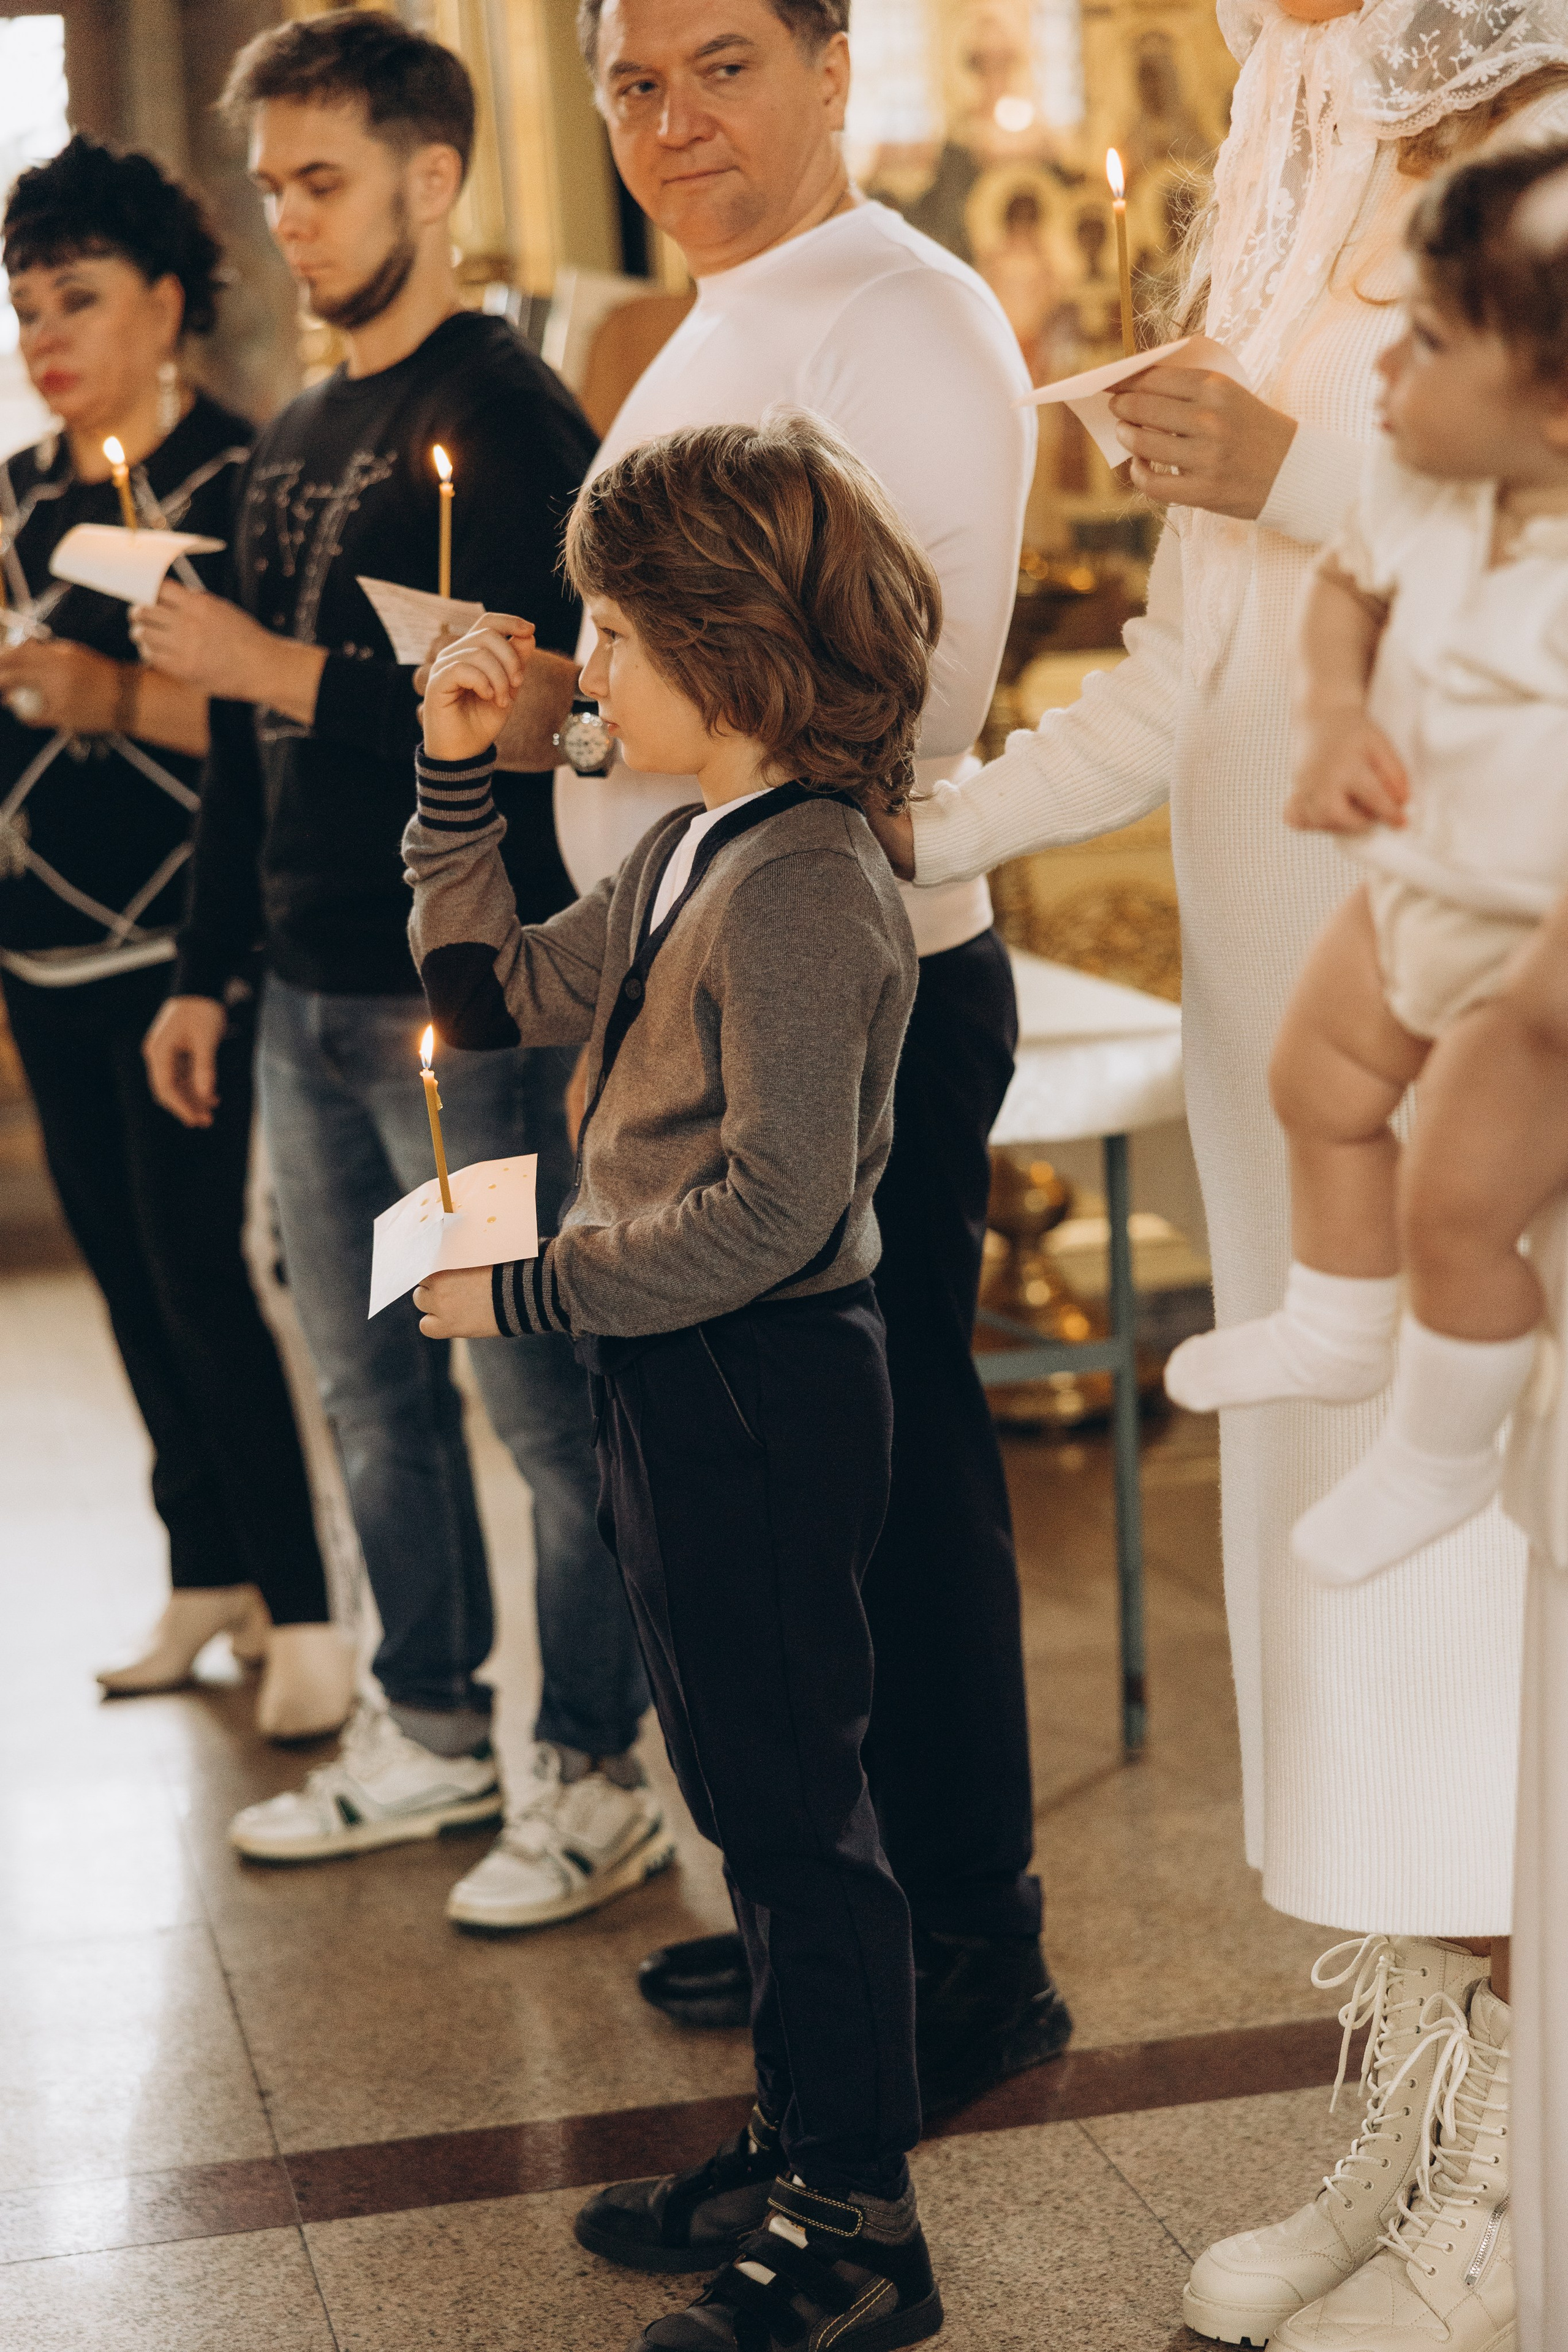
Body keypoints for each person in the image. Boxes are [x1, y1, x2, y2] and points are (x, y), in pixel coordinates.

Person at [866, 5, 1568, 2345]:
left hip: (1486, 954)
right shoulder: (1288, 125)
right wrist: (921, 833)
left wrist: (1286, 470)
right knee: (1341, 1583)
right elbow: (1188, 668)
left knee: (1487, 1575)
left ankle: (1533, 2182)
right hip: (1288, 1032)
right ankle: (1422, 2098)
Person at [543, 0, 1071, 2144]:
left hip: (859, 988)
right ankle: (824, 1920)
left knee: (892, 1487)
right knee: (779, 1508)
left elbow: (888, 708)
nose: (670, 120)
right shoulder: (721, 316)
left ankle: (974, 1954)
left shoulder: (907, 321)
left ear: (838, 67)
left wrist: (578, 742)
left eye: (721, 65)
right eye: (631, 82)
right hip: (692, 981)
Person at [407, 412, 942, 2352]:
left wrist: (536, 1292)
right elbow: (489, 999)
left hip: (762, 1378)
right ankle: (792, 2137)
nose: (584, 668)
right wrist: (453, 780)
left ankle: (861, 2227)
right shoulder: (693, 846)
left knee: (797, 1810)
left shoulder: (801, 884)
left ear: (722, 649)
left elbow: (782, 1208)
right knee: (735, 1780)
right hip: (678, 1362)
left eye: (610, 635)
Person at [138, 12, 663, 1923]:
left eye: (323, 178)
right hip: (305, 989)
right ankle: (429, 1733)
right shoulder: (295, 431)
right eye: (271, 185)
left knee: (537, 1400)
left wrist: (268, 670)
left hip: (466, 1001)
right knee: (367, 1392)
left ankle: (595, 1774)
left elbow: (531, 720)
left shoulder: (512, 420)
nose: (288, 219)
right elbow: (241, 747)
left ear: (433, 180)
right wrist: (211, 972)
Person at [1166, 141, 1568, 1600]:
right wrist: (1333, 714)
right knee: (1313, 1079)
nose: (1383, 371)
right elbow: (1344, 587)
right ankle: (1334, 1320)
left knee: (1453, 1200)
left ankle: (1443, 1445)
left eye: (1430, 341)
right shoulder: (1424, 491)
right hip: (1413, 891)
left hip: (1537, 968)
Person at [0, 135, 350, 1742]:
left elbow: (301, 723)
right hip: (42, 950)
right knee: (126, 1284)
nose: (43, 338)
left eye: (75, 299)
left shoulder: (247, 478)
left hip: (186, 955)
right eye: (21, 309)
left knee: (209, 1276)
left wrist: (111, 697)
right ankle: (202, 1568)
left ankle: (306, 1608)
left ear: (165, 300)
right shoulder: (17, 503)